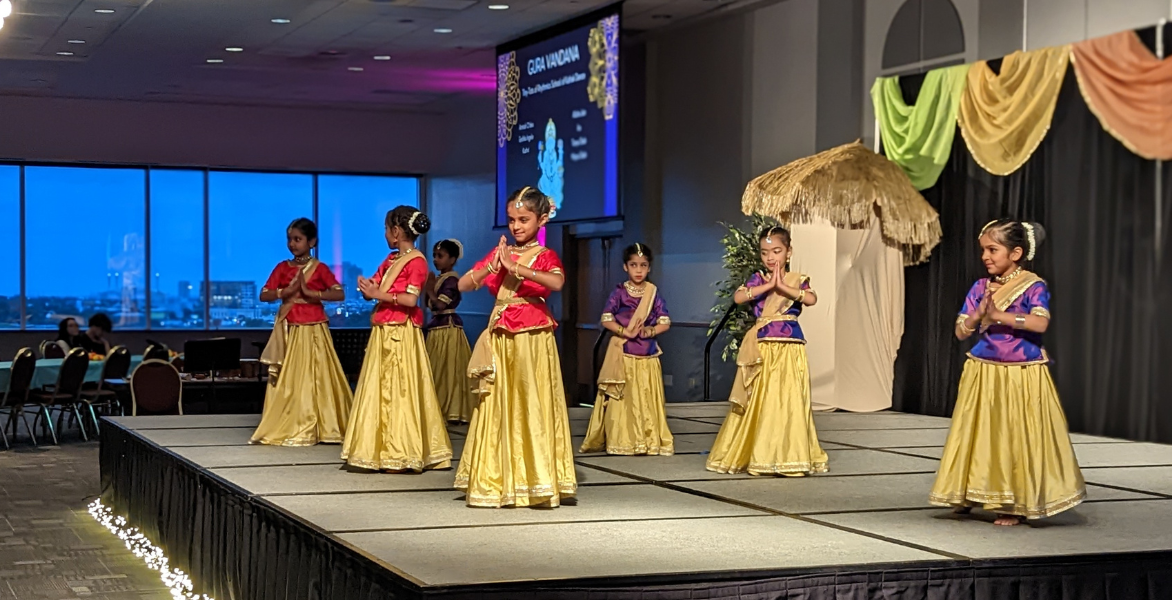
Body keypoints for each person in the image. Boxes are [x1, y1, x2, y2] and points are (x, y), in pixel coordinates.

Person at [930, 219, 1085, 526]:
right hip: (983, 368)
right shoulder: (979, 287)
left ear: (1016, 253)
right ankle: (970, 493)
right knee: (977, 435)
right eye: (983, 250)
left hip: (1020, 371)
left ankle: (1010, 503)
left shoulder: (1033, 285)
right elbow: (961, 331)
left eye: (992, 249)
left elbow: (1040, 323)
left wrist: (999, 315)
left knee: (1011, 436)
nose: (985, 256)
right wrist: (978, 314)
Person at [455, 186, 576, 508]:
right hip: (501, 331)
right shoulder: (501, 253)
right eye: (511, 220)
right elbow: (463, 284)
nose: (516, 226)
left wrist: (516, 268)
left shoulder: (544, 255)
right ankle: (498, 476)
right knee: (498, 401)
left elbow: (556, 282)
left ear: (542, 219)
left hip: (531, 335)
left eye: (524, 219)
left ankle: (534, 478)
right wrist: (492, 266)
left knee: (530, 400)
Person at [706, 226, 828, 476]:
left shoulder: (797, 280)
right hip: (762, 347)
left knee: (788, 401)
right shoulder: (758, 278)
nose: (771, 257)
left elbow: (811, 299)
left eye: (777, 251)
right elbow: (740, 298)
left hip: (790, 347)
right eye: (765, 253)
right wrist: (768, 285)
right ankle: (761, 453)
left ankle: (789, 456)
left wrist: (782, 287)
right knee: (763, 400)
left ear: (788, 251)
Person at [341, 206, 453, 472]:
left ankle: (401, 452)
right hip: (383, 330)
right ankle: (379, 450)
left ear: (396, 231)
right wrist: (367, 289)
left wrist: (378, 294)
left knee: (400, 391)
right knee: (379, 391)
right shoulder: (390, 260)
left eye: (386, 228)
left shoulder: (417, 261)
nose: (385, 233)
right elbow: (375, 288)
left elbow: (411, 300)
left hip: (401, 332)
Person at [251, 218, 353, 447]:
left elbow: (339, 294)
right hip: (290, 329)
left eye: (298, 239)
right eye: (290, 239)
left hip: (314, 329)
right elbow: (264, 294)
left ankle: (324, 426)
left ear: (312, 242)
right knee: (291, 378)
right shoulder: (282, 267)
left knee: (317, 376)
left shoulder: (320, 268)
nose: (292, 244)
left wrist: (311, 293)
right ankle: (292, 422)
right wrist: (284, 292)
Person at [580, 242, 675, 456]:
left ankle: (648, 441)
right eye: (634, 265)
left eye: (643, 265)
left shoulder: (653, 293)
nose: (638, 270)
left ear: (649, 268)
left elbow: (665, 321)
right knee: (624, 401)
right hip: (624, 353)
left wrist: (650, 332)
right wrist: (625, 332)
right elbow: (606, 318)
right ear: (625, 267)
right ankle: (622, 441)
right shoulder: (620, 293)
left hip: (648, 355)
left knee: (647, 400)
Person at [424, 239, 475, 423]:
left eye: (440, 256)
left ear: (452, 259)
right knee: (436, 370)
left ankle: (450, 409)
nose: (436, 260)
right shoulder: (440, 279)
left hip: (448, 328)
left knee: (448, 371)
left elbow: (440, 304)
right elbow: (428, 305)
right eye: (434, 256)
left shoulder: (452, 280)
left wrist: (429, 290)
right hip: (437, 328)